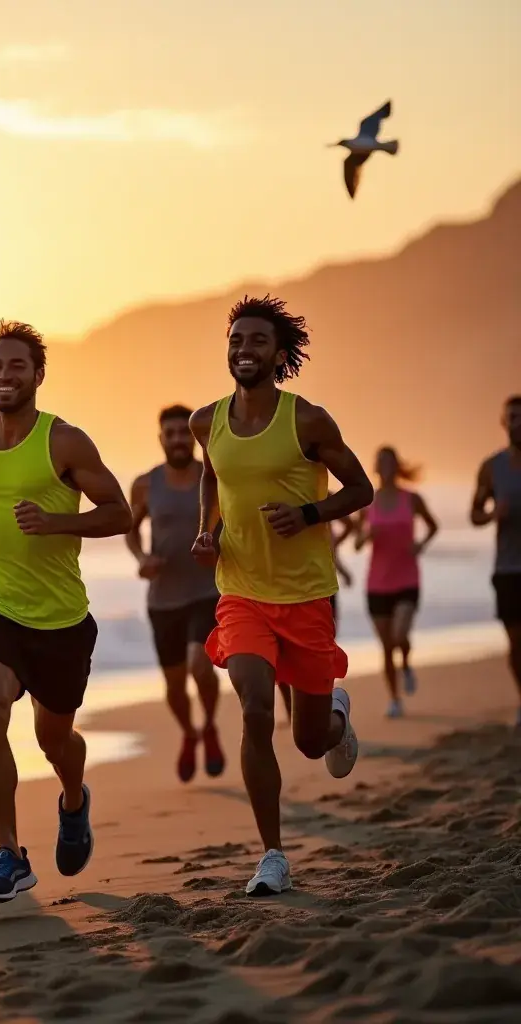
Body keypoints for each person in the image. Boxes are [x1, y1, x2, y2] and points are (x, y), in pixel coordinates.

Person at [0, 320, 132, 905]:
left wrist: (57, 522)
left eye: (16, 366)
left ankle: (74, 798)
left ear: (39, 375)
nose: (4, 376)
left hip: (61, 618)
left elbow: (119, 513)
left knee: (55, 739)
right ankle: (9, 854)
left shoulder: (63, 442)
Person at [189, 295, 374, 897]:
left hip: (304, 597)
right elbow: (212, 473)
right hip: (240, 593)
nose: (244, 350)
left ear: (279, 353)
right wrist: (205, 529)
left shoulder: (307, 421)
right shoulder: (206, 421)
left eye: (258, 342)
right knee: (252, 710)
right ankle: (272, 854)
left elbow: (361, 488)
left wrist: (306, 512)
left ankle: (336, 716)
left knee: (308, 739)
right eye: (237, 339)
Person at [127, 404, 224, 782]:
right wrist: (141, 557)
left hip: (208, 590)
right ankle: (189, 731)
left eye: (185, 432)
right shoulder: (145, 484)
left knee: (200, 664)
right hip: (163, 598)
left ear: (195, 437)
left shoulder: (213, 477)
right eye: (172, 434)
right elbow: (131, 529)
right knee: (174, 684)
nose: (180, 439)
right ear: (161, 439)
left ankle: (211, 724)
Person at [351, 447, 438, 718]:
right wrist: (367, 536)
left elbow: (433, 526)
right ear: (376, 468)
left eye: (390, 461)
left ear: (397, 466)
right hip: (377, 583)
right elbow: (356, 544)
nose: (385, 466)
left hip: (407, 578)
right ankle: (394, 699)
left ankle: (407, 664)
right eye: (381, 462)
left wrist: (420, 545)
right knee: (387, 646)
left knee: (400, 635)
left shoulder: (411, 499)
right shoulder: (369, 503)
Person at [470, 395, 521, 728]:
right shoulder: (492, 467)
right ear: (504, 423)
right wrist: (491, 514)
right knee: (517, 642)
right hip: (508, 569)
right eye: (513, 418)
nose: (518, 423)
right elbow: (474, 514)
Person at [277, 509, 353, 723]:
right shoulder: (278, 490)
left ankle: (325, 706)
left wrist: (333, 550)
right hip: (283, 585)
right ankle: (292, 711)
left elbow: (349, 523)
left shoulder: (323, 495)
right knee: (280, 652)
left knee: (321, 650)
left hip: (321, 585)